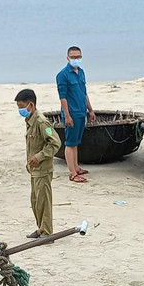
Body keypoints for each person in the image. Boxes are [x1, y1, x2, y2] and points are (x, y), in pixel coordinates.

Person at [17, 89, 61, 239]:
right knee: (35, 201)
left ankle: (46, 233)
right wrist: (29, 162)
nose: (20, 110)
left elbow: (55, 143)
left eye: (22, 106)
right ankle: (40, 228)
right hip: (34, 169)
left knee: (44, 201)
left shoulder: (42, 122)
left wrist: (39, 156)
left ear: (31, 105)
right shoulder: (29, 121)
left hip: (43, 169)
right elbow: (32, 144)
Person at [55, 46, 95, 183]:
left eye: (78, 57)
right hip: (71, 112)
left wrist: (90, 110)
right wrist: (67, 115)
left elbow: (84, 93)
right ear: (67, 58)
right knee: (70, 143)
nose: (76, 59)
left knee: (76, 142)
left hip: (81, 111)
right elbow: (63, 97)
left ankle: (76, 167)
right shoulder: (63, 75)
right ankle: (72, 173)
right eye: (73, 57)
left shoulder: (81, 72)